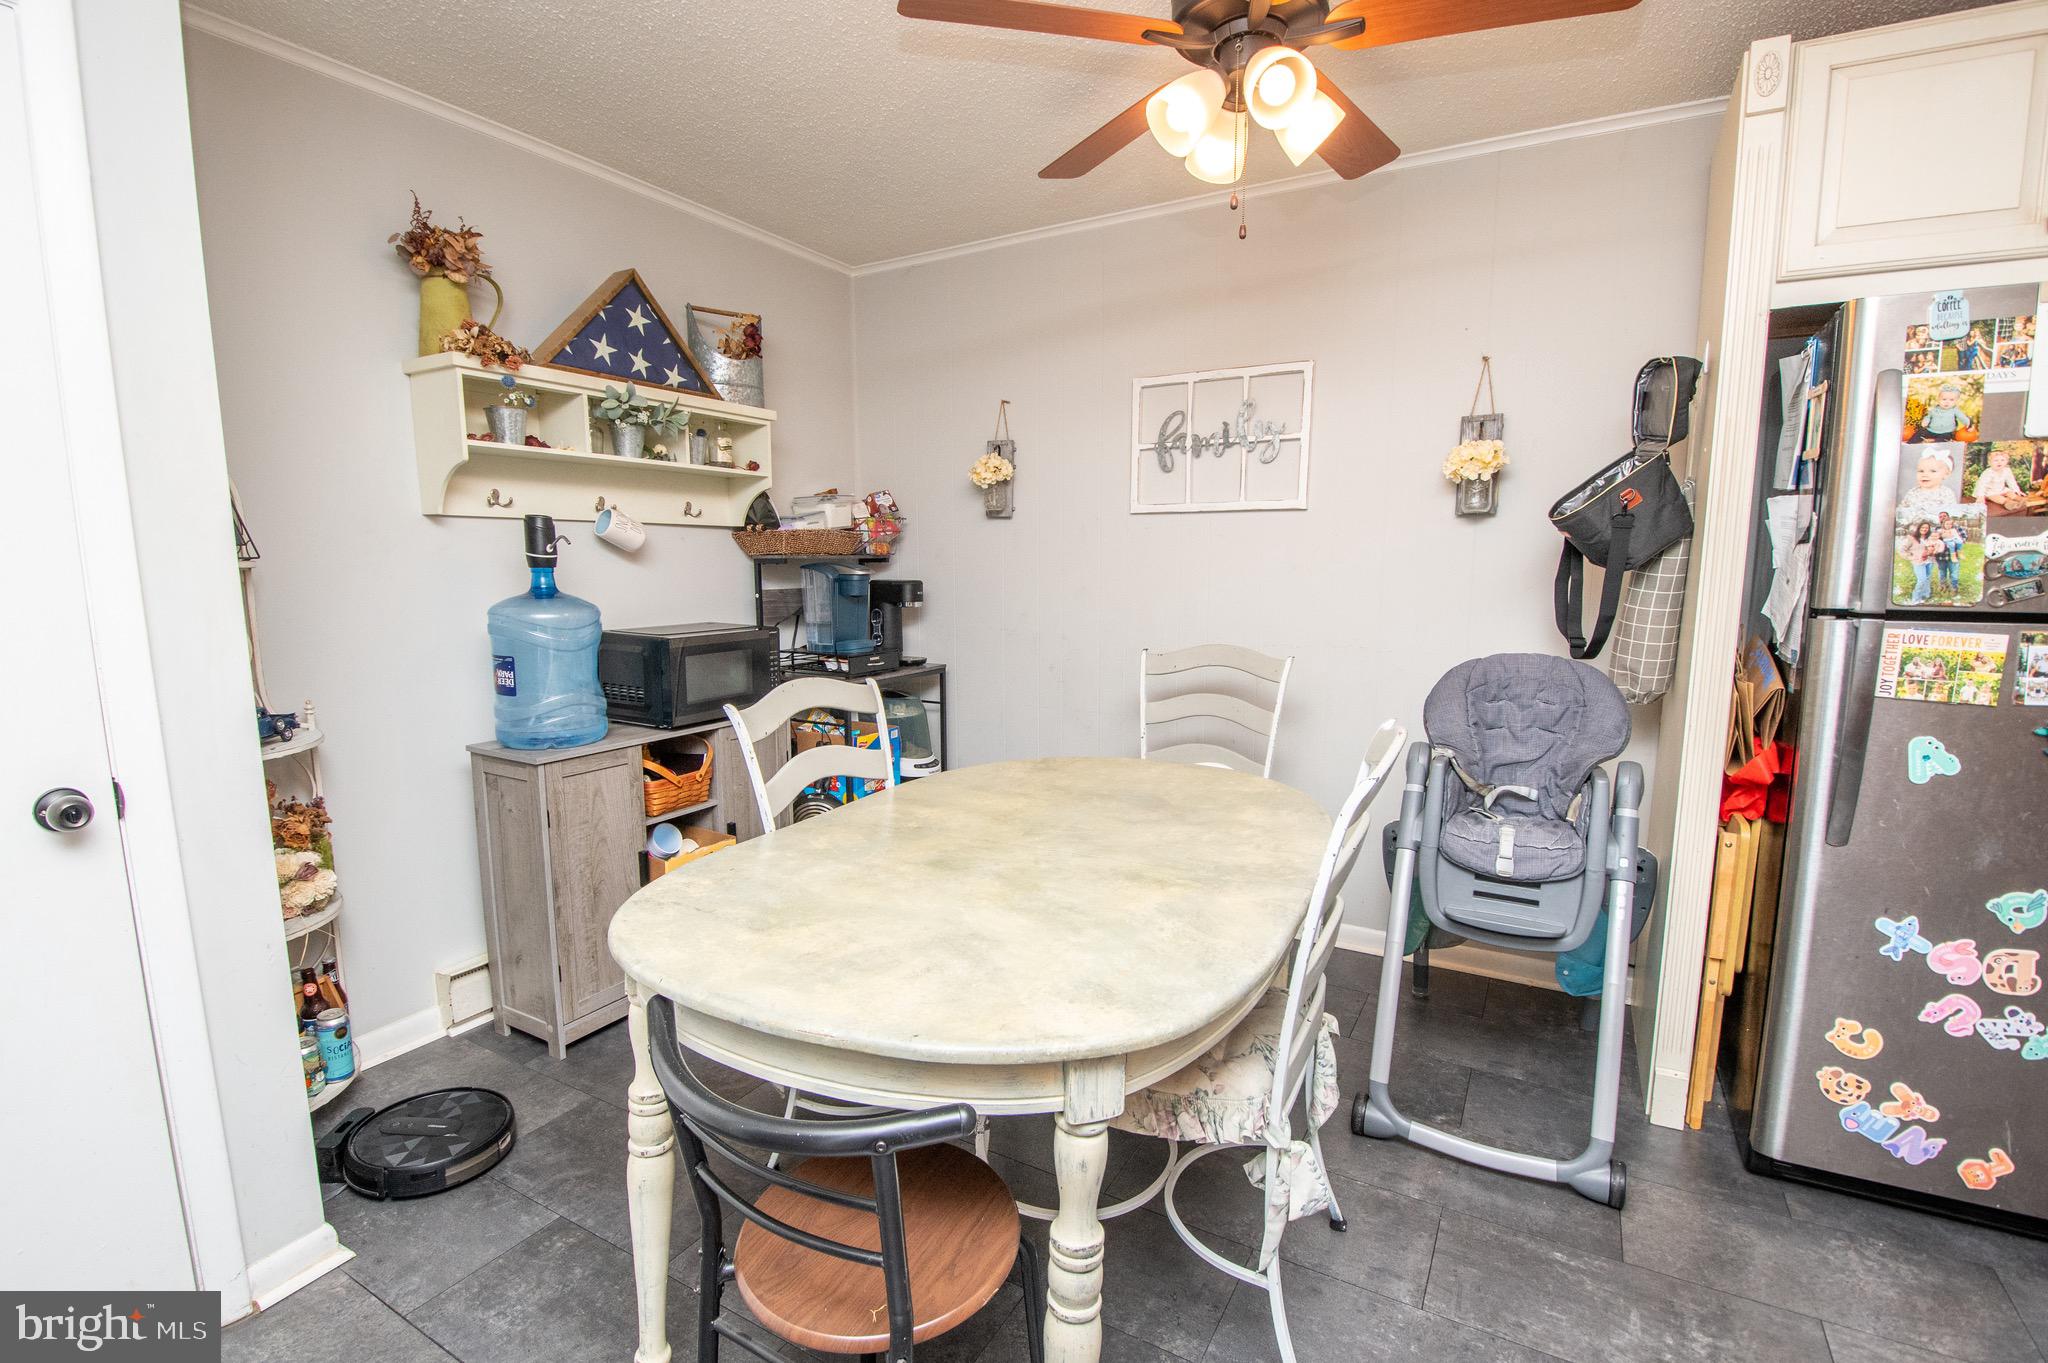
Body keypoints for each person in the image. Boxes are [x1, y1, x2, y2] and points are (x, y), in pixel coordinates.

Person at [1911, 383, 1978, 442]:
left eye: (1951, 400)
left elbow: (1963, 418)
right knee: (1920, 433)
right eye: (1944, 399)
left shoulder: (1955, 410)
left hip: (1946, 432)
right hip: (1931, 430)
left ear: (1956, 401)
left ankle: (1933, 441)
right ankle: (1910, 443)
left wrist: (1969, 426)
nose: (1947, 402)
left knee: (1945, 439)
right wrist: (1926, 421)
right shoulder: (1934, 410)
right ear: (1939, 399)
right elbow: (1928, 416)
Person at [1976, 445, 2028, 512]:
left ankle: (2020, 500)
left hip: (2001, 489)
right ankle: (2008, 503)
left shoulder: (2007, 470)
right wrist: (1980, 496)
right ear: (1989, 462)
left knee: (2010, 492)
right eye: (1996, 460)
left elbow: (2011, 481)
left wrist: (2016, 490)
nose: (1999, 462)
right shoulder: (1988, 473)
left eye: (2002, 460)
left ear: (2006, 462)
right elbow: (1982, 485)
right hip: (1989, 491)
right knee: (1997, 497)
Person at [1904, 521, 1940, 604]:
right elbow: (1902, 550)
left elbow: (1936, 546)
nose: (1924, 529)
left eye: (1926, 528)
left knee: (1927, 579)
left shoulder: (1929, 538)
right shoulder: (1912, 538)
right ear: (1919, 528)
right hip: (1918, 562)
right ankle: (1915, 598)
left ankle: (1925, 596)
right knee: (1922, 579)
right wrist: (1911, 557)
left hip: (1929, 561)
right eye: (1922, 527)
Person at [1935, 512, 1964, 593]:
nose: (1942, 517)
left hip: (1954, 555)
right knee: (1942, 572)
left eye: (1944, 516)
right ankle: (1943, 586)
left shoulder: (1956, 528)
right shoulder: (1937, 529)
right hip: (1941, 556)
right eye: (1940, 516)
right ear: (1939, 519)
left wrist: (1955, 542)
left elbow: (1963, 538)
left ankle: (1954, 587)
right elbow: (1934, 540)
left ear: (1948, 517)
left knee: (1954, 573)